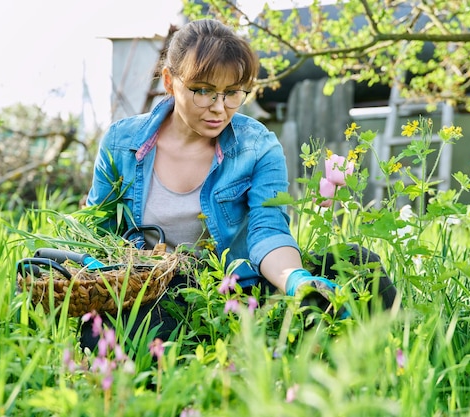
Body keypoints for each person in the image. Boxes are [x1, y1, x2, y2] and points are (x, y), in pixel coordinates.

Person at [81, 18, 397, 350]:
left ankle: (395, 358)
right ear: (170, 82)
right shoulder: (121, 143)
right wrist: (102, 271)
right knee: (105, 331)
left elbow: (268, 229)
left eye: (232, 93)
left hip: (243, 285)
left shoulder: (257, 146)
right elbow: (97, 227)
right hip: (159, 289)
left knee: (357, 263)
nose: (219, 108)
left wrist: (296, 280)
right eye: (203, 91)